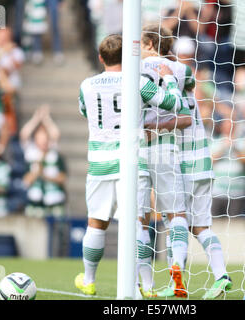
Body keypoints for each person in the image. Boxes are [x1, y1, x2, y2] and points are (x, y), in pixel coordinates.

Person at [74, 34, 184, 296]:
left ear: (101, 58)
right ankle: (145, 286)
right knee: (135, 225)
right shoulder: (138, 82)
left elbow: (84, 112)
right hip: (131, 161)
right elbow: (174, 104)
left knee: (96, 222)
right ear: (128, 57)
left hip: (100, 161)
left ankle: (89, 280)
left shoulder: (87, 85)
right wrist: (168, 78)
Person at [140, 24, 232, 300]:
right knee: (200, 226)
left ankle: (176, 277)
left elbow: (178, 115)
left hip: (179, 160)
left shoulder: (147, 73)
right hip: (203, 158)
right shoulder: (185, 74)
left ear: (150, 45)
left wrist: (152, 125)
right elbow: (189, 100)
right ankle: (221, 276)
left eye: (142, 44)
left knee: (174, 219)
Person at [21, 106, 66, 218]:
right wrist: (36, 119)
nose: (43, 143)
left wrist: (46, 119)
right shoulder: (31, 153)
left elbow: (56, 134)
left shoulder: (54, 153)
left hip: (54, 199)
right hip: (35, 201)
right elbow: (24, 134)